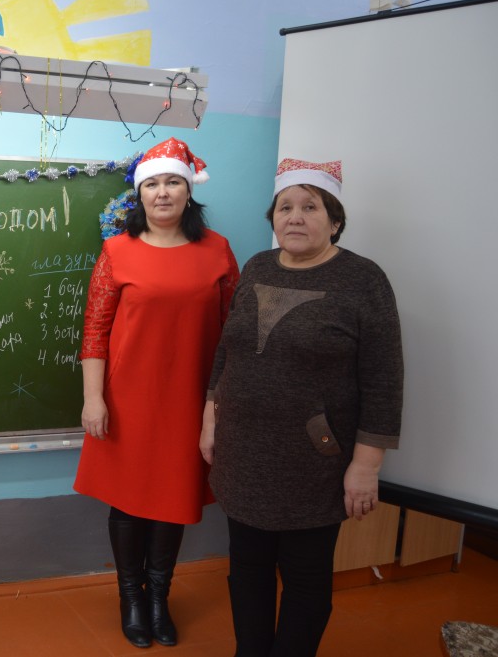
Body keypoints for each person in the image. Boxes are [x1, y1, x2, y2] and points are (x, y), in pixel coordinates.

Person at [200, 158, 403, 657]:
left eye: (310, 207)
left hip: (314, 462)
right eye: (285, 207)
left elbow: (384, 380)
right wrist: (210, 418)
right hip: (243, 452)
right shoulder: (257, 266)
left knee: (306, 580)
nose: (294, 217)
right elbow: (227, 351)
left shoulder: (363, 279)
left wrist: (366, 466)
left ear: (335, 221)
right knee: (246, 569)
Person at [75, 138, 239, 648]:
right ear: (139, 194)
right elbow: (95, 330)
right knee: (128, 502)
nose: (162, 192)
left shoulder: (218, 251)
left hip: (190, 400)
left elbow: (234, 332)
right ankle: (131, 597)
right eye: (152, 184)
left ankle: (158, 597)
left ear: (189, 191)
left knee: (173, 496)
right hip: (127, 401)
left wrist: (219, 406)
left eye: (172, 182)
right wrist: (94, 399)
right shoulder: (116, 252)